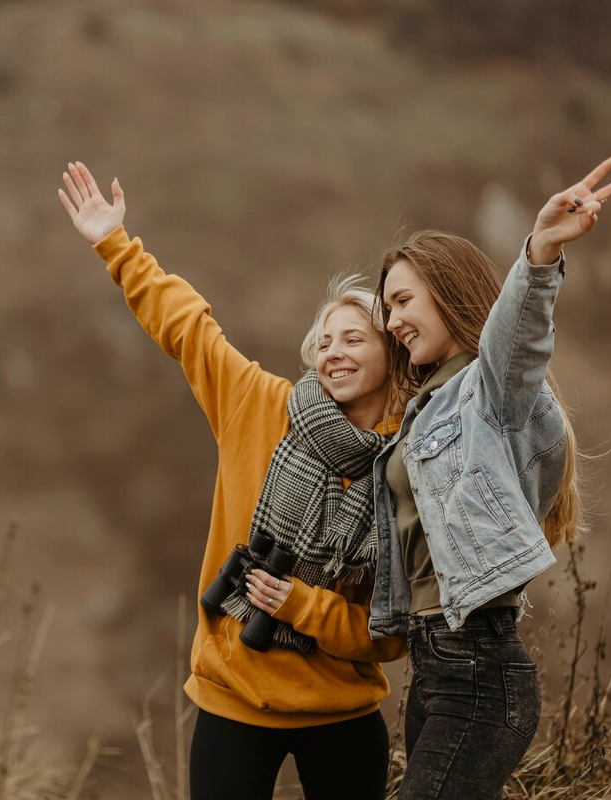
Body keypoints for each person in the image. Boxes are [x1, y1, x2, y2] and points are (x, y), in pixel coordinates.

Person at [58, 161, 406, 800]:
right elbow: (190, 330)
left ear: (391, 355)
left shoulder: (408, 466)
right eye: (324, 340)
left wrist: (296, 605)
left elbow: (388, 637)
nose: (334, 351)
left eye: (354, 338)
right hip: (232, 703)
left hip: (346, 713)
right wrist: (115, 243)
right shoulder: (262, 406)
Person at [367, 157, 611, 799]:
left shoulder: (486, 392)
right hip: (434, 666)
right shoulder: (421, 409)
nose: (395, 321)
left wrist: (540, 251)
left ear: (448, 290)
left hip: (479, 670)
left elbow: (519, 339)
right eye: (388, 309)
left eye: (404, 300)